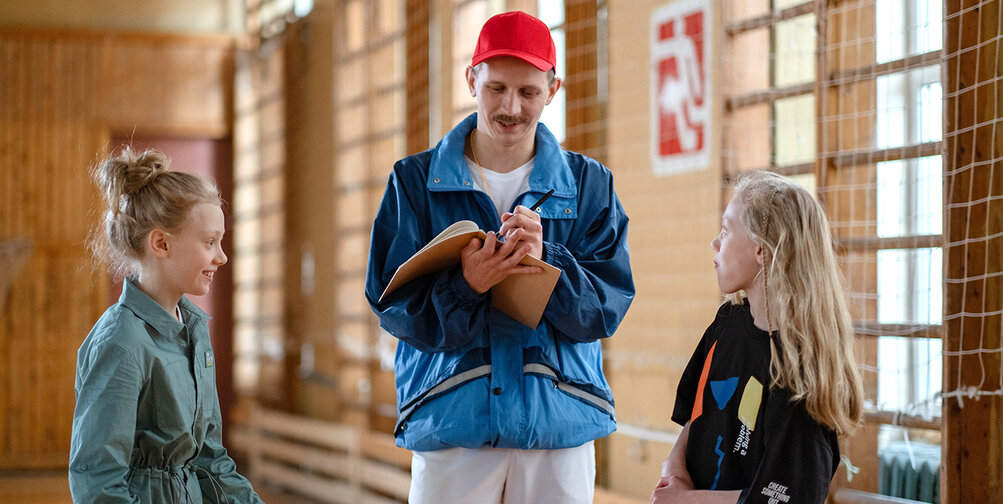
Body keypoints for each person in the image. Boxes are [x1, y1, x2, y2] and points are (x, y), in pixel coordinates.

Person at [365, 10, 634, 504]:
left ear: (553, 90)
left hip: (558, 429)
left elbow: (607, 307)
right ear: (472, 80)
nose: (511, 107)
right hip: (453, 424)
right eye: (497, 88)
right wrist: (464, 288)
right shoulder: (413, 183)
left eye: (528, 92)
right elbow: (392, 305)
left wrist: (548, 260)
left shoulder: (593, 186)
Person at [651, 170, 865, 504]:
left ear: (761, 251)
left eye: (726, 229)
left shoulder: (797, 372)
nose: (715, 243)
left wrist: (686, 500)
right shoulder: (727, 322)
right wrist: (674, 469)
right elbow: (697, 414)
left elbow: (780, 498)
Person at [69, 147, 263, 503]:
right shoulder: (121, 343)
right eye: (209, 242)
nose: (221, 256)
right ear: (160, 243)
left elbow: (210, 460)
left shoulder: (196, 330)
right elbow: (97, 483)